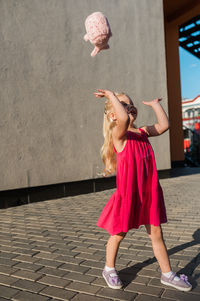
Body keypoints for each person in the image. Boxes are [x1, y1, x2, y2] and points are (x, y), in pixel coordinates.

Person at [94, 89, 192, 292]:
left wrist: (156, 104)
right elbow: (122, 118)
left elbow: (164, 125)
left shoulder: (142, 133)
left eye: (130, 104)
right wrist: (111, 95)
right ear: (113, 115)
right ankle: (109, 268)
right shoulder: (118, 135)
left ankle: (167, 274)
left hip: (148, 193)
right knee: (119, 233)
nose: (129, 107)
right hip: (128, 194)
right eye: (123, 105)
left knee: (156, 233)